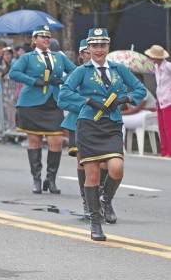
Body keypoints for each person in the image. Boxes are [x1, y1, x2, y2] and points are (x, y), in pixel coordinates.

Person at [59, 28, 145, 240]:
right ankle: (95, 222)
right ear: (88, 47)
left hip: (112, 125)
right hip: (89, 125)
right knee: (93, 175)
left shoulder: (118, 69)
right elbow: (64, 95)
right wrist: (86, 101)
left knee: (116, 169)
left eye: (103, 45)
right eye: (94, 45)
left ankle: (106, 200)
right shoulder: (82, 71)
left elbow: (140, 90)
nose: (98, 49)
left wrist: (124, 99)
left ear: (108, 47)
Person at [9, 26, 76, 194]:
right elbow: (13, 73)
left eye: (48, 36)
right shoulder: (28, 57)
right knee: (35, 140)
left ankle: (51, 179)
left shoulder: (58, 57)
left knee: (57, 141)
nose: (46, 39)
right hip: (32, 103)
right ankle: (36, 179)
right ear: (34, 40)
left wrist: (62, 80)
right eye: (42, 36)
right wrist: (33, 81)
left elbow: (76, 72)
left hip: (53, 102)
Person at [59, 39, 92, 218]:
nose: (91, 53)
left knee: (103, 162)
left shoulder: (106, 72)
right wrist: (84, 105)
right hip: (77, 121)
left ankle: (102, 198)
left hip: (100, 122)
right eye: (87, 51)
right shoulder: (74, 74)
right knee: (83, 161)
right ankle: (87, 201)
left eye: (95, 48)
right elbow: (63, 99)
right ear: (81, 55)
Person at [145, 44, 171, 157]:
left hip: (168, 101)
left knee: (169, 127)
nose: (151, 58)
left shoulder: (168, 67)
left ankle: (170, 151)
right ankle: (164, 151)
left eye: (152, 56)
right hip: (160, 100)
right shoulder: (156, 67)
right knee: (162, 127)